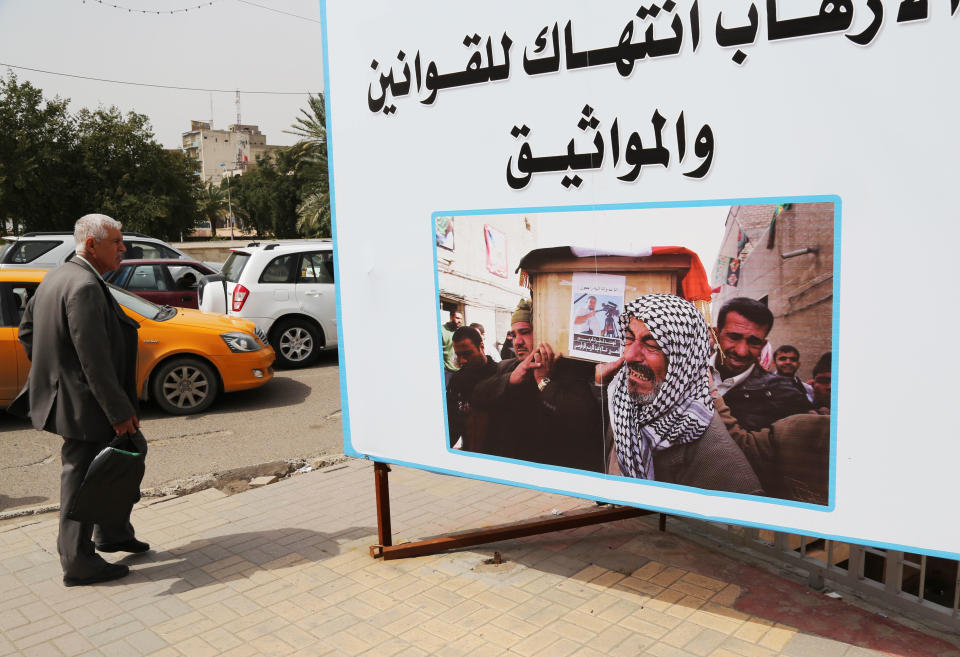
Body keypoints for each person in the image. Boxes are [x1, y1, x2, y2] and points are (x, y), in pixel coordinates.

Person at [9, 214, 149, 586]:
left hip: (75, 398)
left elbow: (28, 333)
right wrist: (116, 410)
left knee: (123, 458)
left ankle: (112, 532)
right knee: (84, 476)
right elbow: (94, 360)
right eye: (117, 242)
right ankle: (77, 560)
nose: (123, 248)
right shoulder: (84, 284)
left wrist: (55, 372)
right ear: (92, 245)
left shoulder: (57, 275)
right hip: (88, 404)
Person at [604, 294, 762, 494]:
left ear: (683, 359)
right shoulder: (623, 399)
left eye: (652, 344)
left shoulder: (714, 454)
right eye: (629, 338)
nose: (629, 355)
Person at [469, 300, 605, 472]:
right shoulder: (507, 367)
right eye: (514, 334)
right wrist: (511, 378)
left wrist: (543, 382)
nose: (517, 341)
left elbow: (583, 419)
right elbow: (478, 395)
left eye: (525, 333)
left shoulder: (569, 369)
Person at [712, 297, 813, 432]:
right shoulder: (685, 374)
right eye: (734, 337)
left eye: (754, 342)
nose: (741, 351)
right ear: (716, 335)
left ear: (763, 345)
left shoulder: (785, 396)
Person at [446, 326, 497, 448]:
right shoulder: (456, 381)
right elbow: (452, 425)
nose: (462, 360)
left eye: (467, 354)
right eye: (458, 355)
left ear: (481, 347)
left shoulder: (500, 374)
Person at [440, 309, 463, 384]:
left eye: (461, 319)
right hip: (446, 371)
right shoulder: (441, 330)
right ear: (451, 317)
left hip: (460, 371)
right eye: (457, 318)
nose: (460, 321)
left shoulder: (460, 331)